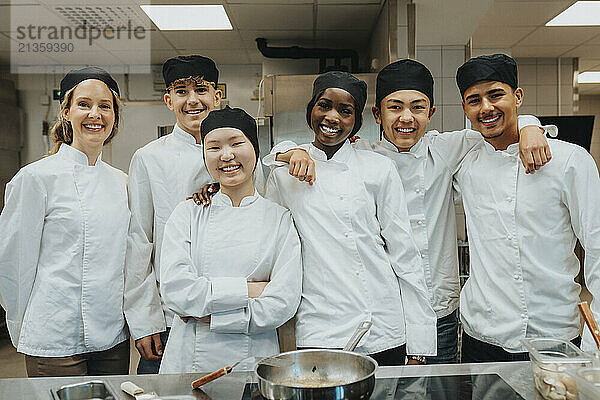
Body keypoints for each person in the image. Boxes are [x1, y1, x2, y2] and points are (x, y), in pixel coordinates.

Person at [267, 60, 552, 364]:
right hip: (385, 312)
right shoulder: (364, 155)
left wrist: (531, 126)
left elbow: (496, 125)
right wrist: (287, 150)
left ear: (431, 113)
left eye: (417, 107)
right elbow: (292, 155)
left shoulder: (448, 148)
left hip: (440, 309)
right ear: (377, 114)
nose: (406, 117)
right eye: (395, 107)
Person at [264, 71, 437, 366]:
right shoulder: (283, 175)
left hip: (381, 324)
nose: (332, 117)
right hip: (318, 327)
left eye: (346, 111)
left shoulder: (378, 168)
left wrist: (419, 345)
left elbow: (405, 254)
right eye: (324, 105)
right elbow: (273, 250)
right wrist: (284, 151)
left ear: (356, 122)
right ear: (311, 111)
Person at [124, 55, 266, 374]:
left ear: (217, 96)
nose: (192, 100)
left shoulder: (247, 157)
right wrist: (144, 320)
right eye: (181, 91)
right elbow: (138, 242)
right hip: (169, 319)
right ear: (168, 100)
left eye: (201, 90)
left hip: (235, 312)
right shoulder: (148, 158)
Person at [453, 54, 600, 362]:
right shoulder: (465, 163)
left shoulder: (570, 161)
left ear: (517, 97)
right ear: (465, 109)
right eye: (474, 100)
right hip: (482, 336)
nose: (486, 108)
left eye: (496, 95)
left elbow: (597, 246)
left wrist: (595, 334)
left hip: (555, 334)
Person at [0, 67, 130, 377]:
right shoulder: (36, 178)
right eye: (84, 104)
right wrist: (22, 327)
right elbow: (14, 263)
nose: (94, 114)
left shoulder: (122, 183)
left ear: (114, 116)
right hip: (53, 335)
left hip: (112, 335)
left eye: (104, 106)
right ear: (66, 111)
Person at [158, 106, 301, 373]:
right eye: (213, 147)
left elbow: (283, 303)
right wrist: (254, 290)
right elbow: (176, 293)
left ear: (255, 150)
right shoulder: (187, 214)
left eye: (237, 143)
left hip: (255, 362)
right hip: (188, 360)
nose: (227, 155)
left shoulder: (279, 219)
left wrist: (207, 316)